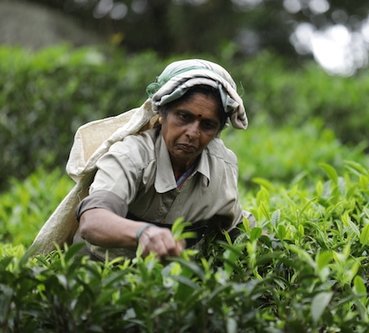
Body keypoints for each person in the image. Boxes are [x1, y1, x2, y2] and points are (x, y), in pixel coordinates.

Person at [72, 59, 249, 261]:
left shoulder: (221, 166)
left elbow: (235, 226)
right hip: (103, 273)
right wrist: (143, 233)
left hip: (174, 283)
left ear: (217, 131)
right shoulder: (131, 156)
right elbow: (93, 221)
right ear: (162, 115)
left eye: (207, 125)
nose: (193, 133)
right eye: (183, 116)